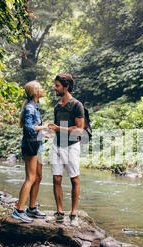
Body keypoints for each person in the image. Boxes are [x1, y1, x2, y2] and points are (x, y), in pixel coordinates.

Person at [48, 74, 85, 223]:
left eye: (57, 85)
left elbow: (80, 129)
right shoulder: (57, 107)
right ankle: (59, 211)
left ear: (66, 86)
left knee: (74, 179)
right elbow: (57, 129)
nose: (54, 88)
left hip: (72, 146)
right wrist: (50, 132)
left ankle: (74, 212)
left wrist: (60, 129)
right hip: (57, 145)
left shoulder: (77, 105)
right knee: (56, 178)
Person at [11, 80, 49, 223]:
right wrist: (43, 127)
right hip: (30, 146)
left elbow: (33, 128)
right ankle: (19, 210)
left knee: (38, 177)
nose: (42, 89)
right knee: (31, 178)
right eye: (40, 87)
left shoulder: (34, 107)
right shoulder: (29, 108)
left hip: (37, 144)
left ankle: (32, 208)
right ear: (34, 92)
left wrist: (42, 133)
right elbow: (28, 129)